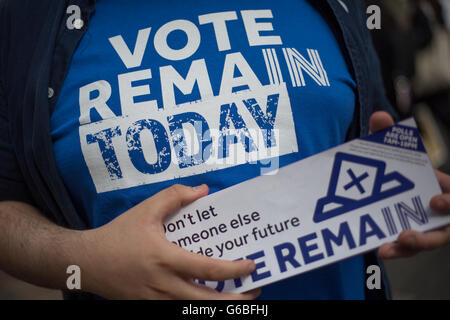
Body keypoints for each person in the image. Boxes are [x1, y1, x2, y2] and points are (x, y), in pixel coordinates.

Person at [0, 0, 449, 300]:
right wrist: (83, 262)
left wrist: (405, 192)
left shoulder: (336, 6)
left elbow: (365, 128)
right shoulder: (22, 22)